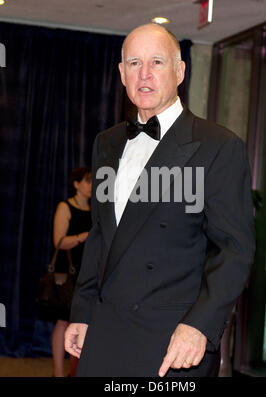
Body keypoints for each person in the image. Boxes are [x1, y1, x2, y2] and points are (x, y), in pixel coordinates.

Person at [65, 23, 255, 377]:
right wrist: (83, 311)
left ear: (180, 71)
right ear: (122, 74)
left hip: (173, 341)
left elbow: (234, 250)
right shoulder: (106, 143)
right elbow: (101, 236)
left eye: (157, 62)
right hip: (105, 332)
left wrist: (200, 325)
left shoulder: (218, 146)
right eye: (134, 63)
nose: (145, 74)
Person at [52, 167, 92, 377]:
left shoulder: (97, 209)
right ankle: (59, 373)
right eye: (87, 181)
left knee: (83, 320)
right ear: (76, 184)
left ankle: (76, 372)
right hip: (67, 271)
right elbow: (58, 241)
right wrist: (82, 236)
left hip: (89, 272)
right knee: (63, 320)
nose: (91, 186)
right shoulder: (65, 206)